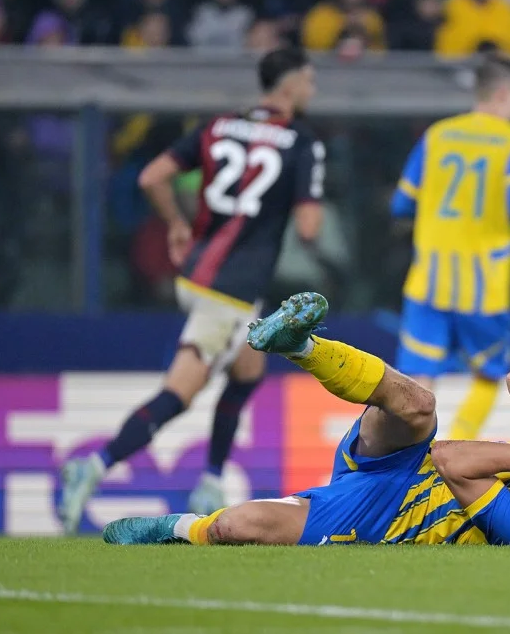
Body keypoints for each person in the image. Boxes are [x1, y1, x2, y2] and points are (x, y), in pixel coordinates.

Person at [104, 292, 510, 547]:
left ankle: (176, 529)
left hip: (384, 518)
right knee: (419, 406)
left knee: (237, 527)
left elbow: (452, 460)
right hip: (400, 459)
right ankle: (301, 346)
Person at [58, 47, 326, 535]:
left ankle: (211, 480)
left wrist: (177, 224)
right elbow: (309, 227)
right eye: (308, 80)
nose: (313, 89)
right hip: (231, 289)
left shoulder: (219, 126)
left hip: (204, 273)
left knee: (249, 368)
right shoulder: (301, 140)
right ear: (288, 86)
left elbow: (151, 177)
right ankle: (94, 465)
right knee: (180, 393)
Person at [390, 54, 510, 441]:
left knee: (418, 378)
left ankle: (410, 454)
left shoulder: (438, 134)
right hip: (485, 283)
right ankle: (456, 447)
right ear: (503, 93)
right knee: (489, 373)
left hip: (428, 278)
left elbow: (401, 203)